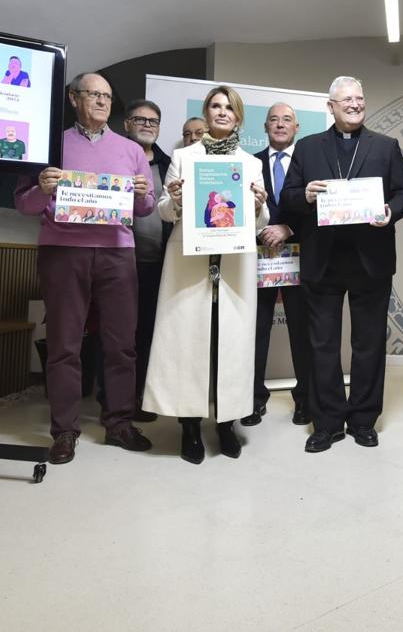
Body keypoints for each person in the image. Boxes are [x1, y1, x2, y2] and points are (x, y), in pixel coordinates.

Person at [14, 72, 155, 465]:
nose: (101, 102)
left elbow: (144, 208)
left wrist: (144, 194)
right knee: (64, 343)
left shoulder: (131, 150)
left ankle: (120, 423)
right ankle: (64, 430)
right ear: (73, 97)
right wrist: (40, 188)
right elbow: (23, 204)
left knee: (121, 344)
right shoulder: (49, 144)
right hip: (63, 251)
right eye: (93, 94)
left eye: (107, 96)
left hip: (117, 251)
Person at [280, 76, 403, 452]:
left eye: (359, 98)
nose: (355, 104)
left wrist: (392, 210)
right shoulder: (306, 148)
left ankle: (363, 420)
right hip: (322, 260)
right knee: (322, 345)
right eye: (347, 100)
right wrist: (305, 195)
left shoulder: (385, 147)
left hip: (370, 260)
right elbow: (288, 197)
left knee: (368, 343)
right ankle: (326, 423)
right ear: (331, 106)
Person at [142, 85, 269, 463]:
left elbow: (261, 220)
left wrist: (260, 205)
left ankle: (226, 425)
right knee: (188, 343)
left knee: (229, 343)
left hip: (234, 263)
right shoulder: (183, 157)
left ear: (238, 116)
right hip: (190, 262)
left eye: (229, 107)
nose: (222, 112)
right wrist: (177, 199)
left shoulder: (251, 164)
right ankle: (190, 428)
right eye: (215, 106)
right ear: (207, 112)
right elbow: (163, 211)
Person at [245, 103, 315, 427]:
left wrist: (289, 228)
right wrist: (261, 229)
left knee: (302, 332)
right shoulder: (249, 164)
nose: (280, 124)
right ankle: (253, 400)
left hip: (300, 257)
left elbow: (318, 212)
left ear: (297, 127)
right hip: (257, 258)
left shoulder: (310, 164)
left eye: (287, 119)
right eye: (274, 119)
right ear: (265, 127)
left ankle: (305, 401)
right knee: (255, 331)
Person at [121, 99, 173, 423]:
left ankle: (142, 395)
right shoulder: (111, 156)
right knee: (118, 333)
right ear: (126, 123)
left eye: (153, 121)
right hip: (118, 259)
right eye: (140, 119)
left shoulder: (169, 164)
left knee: (149, 333)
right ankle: (115, 398)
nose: (147, 125)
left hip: (159, 262)